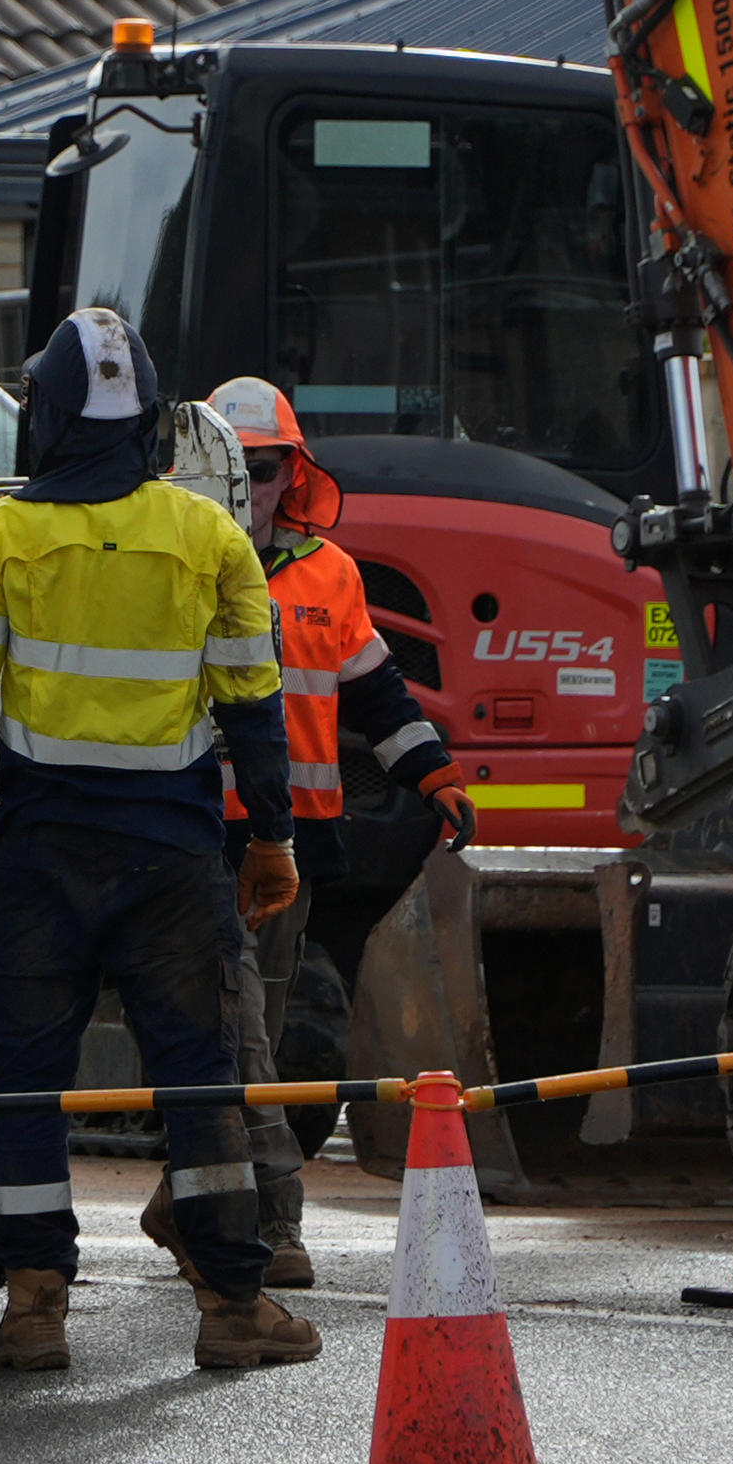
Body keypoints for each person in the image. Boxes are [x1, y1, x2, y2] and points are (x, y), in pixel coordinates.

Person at [0, 306, 322, 1376]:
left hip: (44, 858)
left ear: (41, 413)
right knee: (196, 1078)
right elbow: (253, 711)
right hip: (173, 864)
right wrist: (270, 840)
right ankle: (231, 1305)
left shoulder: (3, 535)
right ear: (154, 423)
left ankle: (33, 1309)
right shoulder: (210, 536)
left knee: (29, 1081)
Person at [152, 377, 483, 1293]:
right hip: (200, 838)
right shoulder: (172, 562)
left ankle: (183, 1204)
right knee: (246, 1033)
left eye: (268, 470)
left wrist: (435, 774)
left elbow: (376, 692)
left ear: (291, 475)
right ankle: (275, 1219)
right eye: (238, 468)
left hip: (290, 842)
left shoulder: (329, 573)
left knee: (251, 1031)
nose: (253, 487)